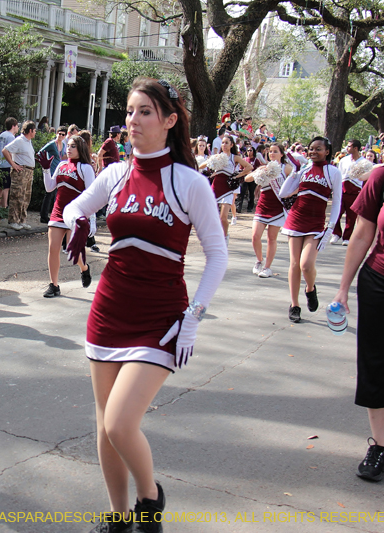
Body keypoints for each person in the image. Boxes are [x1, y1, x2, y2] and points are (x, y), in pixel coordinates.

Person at [63, 78, 227, 533]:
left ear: (170, 121)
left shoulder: (189, 182)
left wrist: (193, 318)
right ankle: (117, 518)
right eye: (130, 111)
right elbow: (73, 208)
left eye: (145, 112)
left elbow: (218, 254)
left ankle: (150, 500)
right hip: (108, 312)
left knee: (119, 424)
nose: (133, 121)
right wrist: (79, 223)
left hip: (160, 320)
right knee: (103, 427)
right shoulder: (114, 174)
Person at [332, 156, 384, 482]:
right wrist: (343, 289)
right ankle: (379, 448)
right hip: (382, 283)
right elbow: (362, 234)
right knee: (378, 365)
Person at [279, 136, 341, 323]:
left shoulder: (333, 172)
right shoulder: (303, 170)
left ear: (327, 151)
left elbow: (337, 201)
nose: (313, 152)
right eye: (311, 149)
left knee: (306, 264)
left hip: (316, 222)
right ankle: (294, 304)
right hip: (296, 218)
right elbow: (283, 193)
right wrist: (294, 173)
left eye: (318, 149)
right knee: (294, 264)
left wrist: (331, 226)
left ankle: (310, 288)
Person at [40, 134, 93, 297]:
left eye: (73, 146)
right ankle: (54, 285)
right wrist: (46, 169)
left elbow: (92, 195)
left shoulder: (86, 168)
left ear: (81, 149)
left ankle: (84, 269)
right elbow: (49, 187)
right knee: (53, 248)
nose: (68, 149)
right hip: (57, 212)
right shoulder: (62, 164)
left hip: (76, 214)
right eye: (68, 146)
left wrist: (92, 221)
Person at [245, 142, 292, 278]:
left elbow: (296, 183)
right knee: (255, 236)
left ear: (282, 154)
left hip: (277, 206)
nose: (272, 153)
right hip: (263, 205)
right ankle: (259, 260)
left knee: (272, 238)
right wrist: (259, 172)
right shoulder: (263, 167)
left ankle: (267, 267)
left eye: (275, 151)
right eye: (270, 151)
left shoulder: (286, 168)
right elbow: (248, 178)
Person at [201, 133, 252, 243]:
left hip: (228, 188)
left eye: (226, 143)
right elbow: (202, 165)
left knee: (223, 217)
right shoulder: (216, 157)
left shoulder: (235, 158)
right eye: (223, 143)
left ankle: (224, 236)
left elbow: (249, 167)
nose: (224, 145)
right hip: (216, 186)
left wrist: (237, 175)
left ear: (231, 145)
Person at [2, 121, 37, 230]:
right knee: (17, 196)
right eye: (34, 130)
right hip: (21, 172)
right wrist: (13, 164)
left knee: (26, 197)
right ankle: (13, 221)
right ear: (30, 130)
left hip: (29, 172)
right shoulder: (20, 140)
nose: (35, 133)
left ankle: (22, 220)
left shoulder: (28, 141)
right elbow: (5, 150)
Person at [332, 139, 364, 245]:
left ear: (356, 148)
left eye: (349, 146)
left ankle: (347, 237)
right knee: (337, 213)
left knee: (351, 217)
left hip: (355, 191)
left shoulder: (363, 162)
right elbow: (339, 174)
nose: (347, 148)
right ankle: (336, 233)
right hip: (342, 190)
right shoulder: (343, 160)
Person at [38, 126, 67, 224]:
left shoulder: (63, 145)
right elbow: (40, 152)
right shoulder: (51, 144)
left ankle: (51, 214)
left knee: (55, 194)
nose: (61, 136)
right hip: (50, 171)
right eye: (59, 133)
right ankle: (44, 215)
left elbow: (62, 156)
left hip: (58, 171)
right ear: (56, 133)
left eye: (63, 134)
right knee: (49, 193)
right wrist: (47, 162)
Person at [0, 117, 18, 209]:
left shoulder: (2, 135)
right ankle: (4, 206)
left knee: (0, 186)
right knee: (6, 187)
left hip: (0, 163)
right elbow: (9, 151)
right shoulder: (11, 137)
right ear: (13, 126)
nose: (17, 128)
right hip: (7, 164)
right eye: (17, 126)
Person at [237, 144, 265, 213]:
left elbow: (259, 168)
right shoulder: (244, 159)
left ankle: (250, 207)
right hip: (244, 178)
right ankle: (239, 207)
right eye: (248, 150)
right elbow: (240, 168)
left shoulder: (256, 160)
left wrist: (253, 173)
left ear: (253, 151)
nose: (249, 152)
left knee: (251, 193)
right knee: (241, 192)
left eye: (251, 150)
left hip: (252, 178)